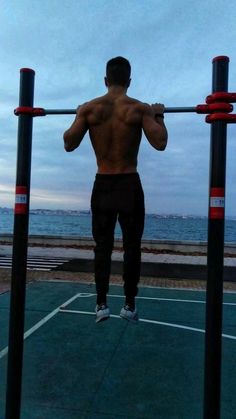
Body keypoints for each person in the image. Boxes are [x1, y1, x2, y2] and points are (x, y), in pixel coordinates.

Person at [63, 57, 168, 323]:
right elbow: (161, 142)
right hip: (129, 184)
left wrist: (79, 115)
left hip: (104, 184)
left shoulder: (90, 109)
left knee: (102, 248)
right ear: (129, 81)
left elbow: (68, 143)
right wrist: (159, 114)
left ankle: (101, 304)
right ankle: (129, 306)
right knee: (132, 248)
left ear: (106, 80)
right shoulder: (140, 109)